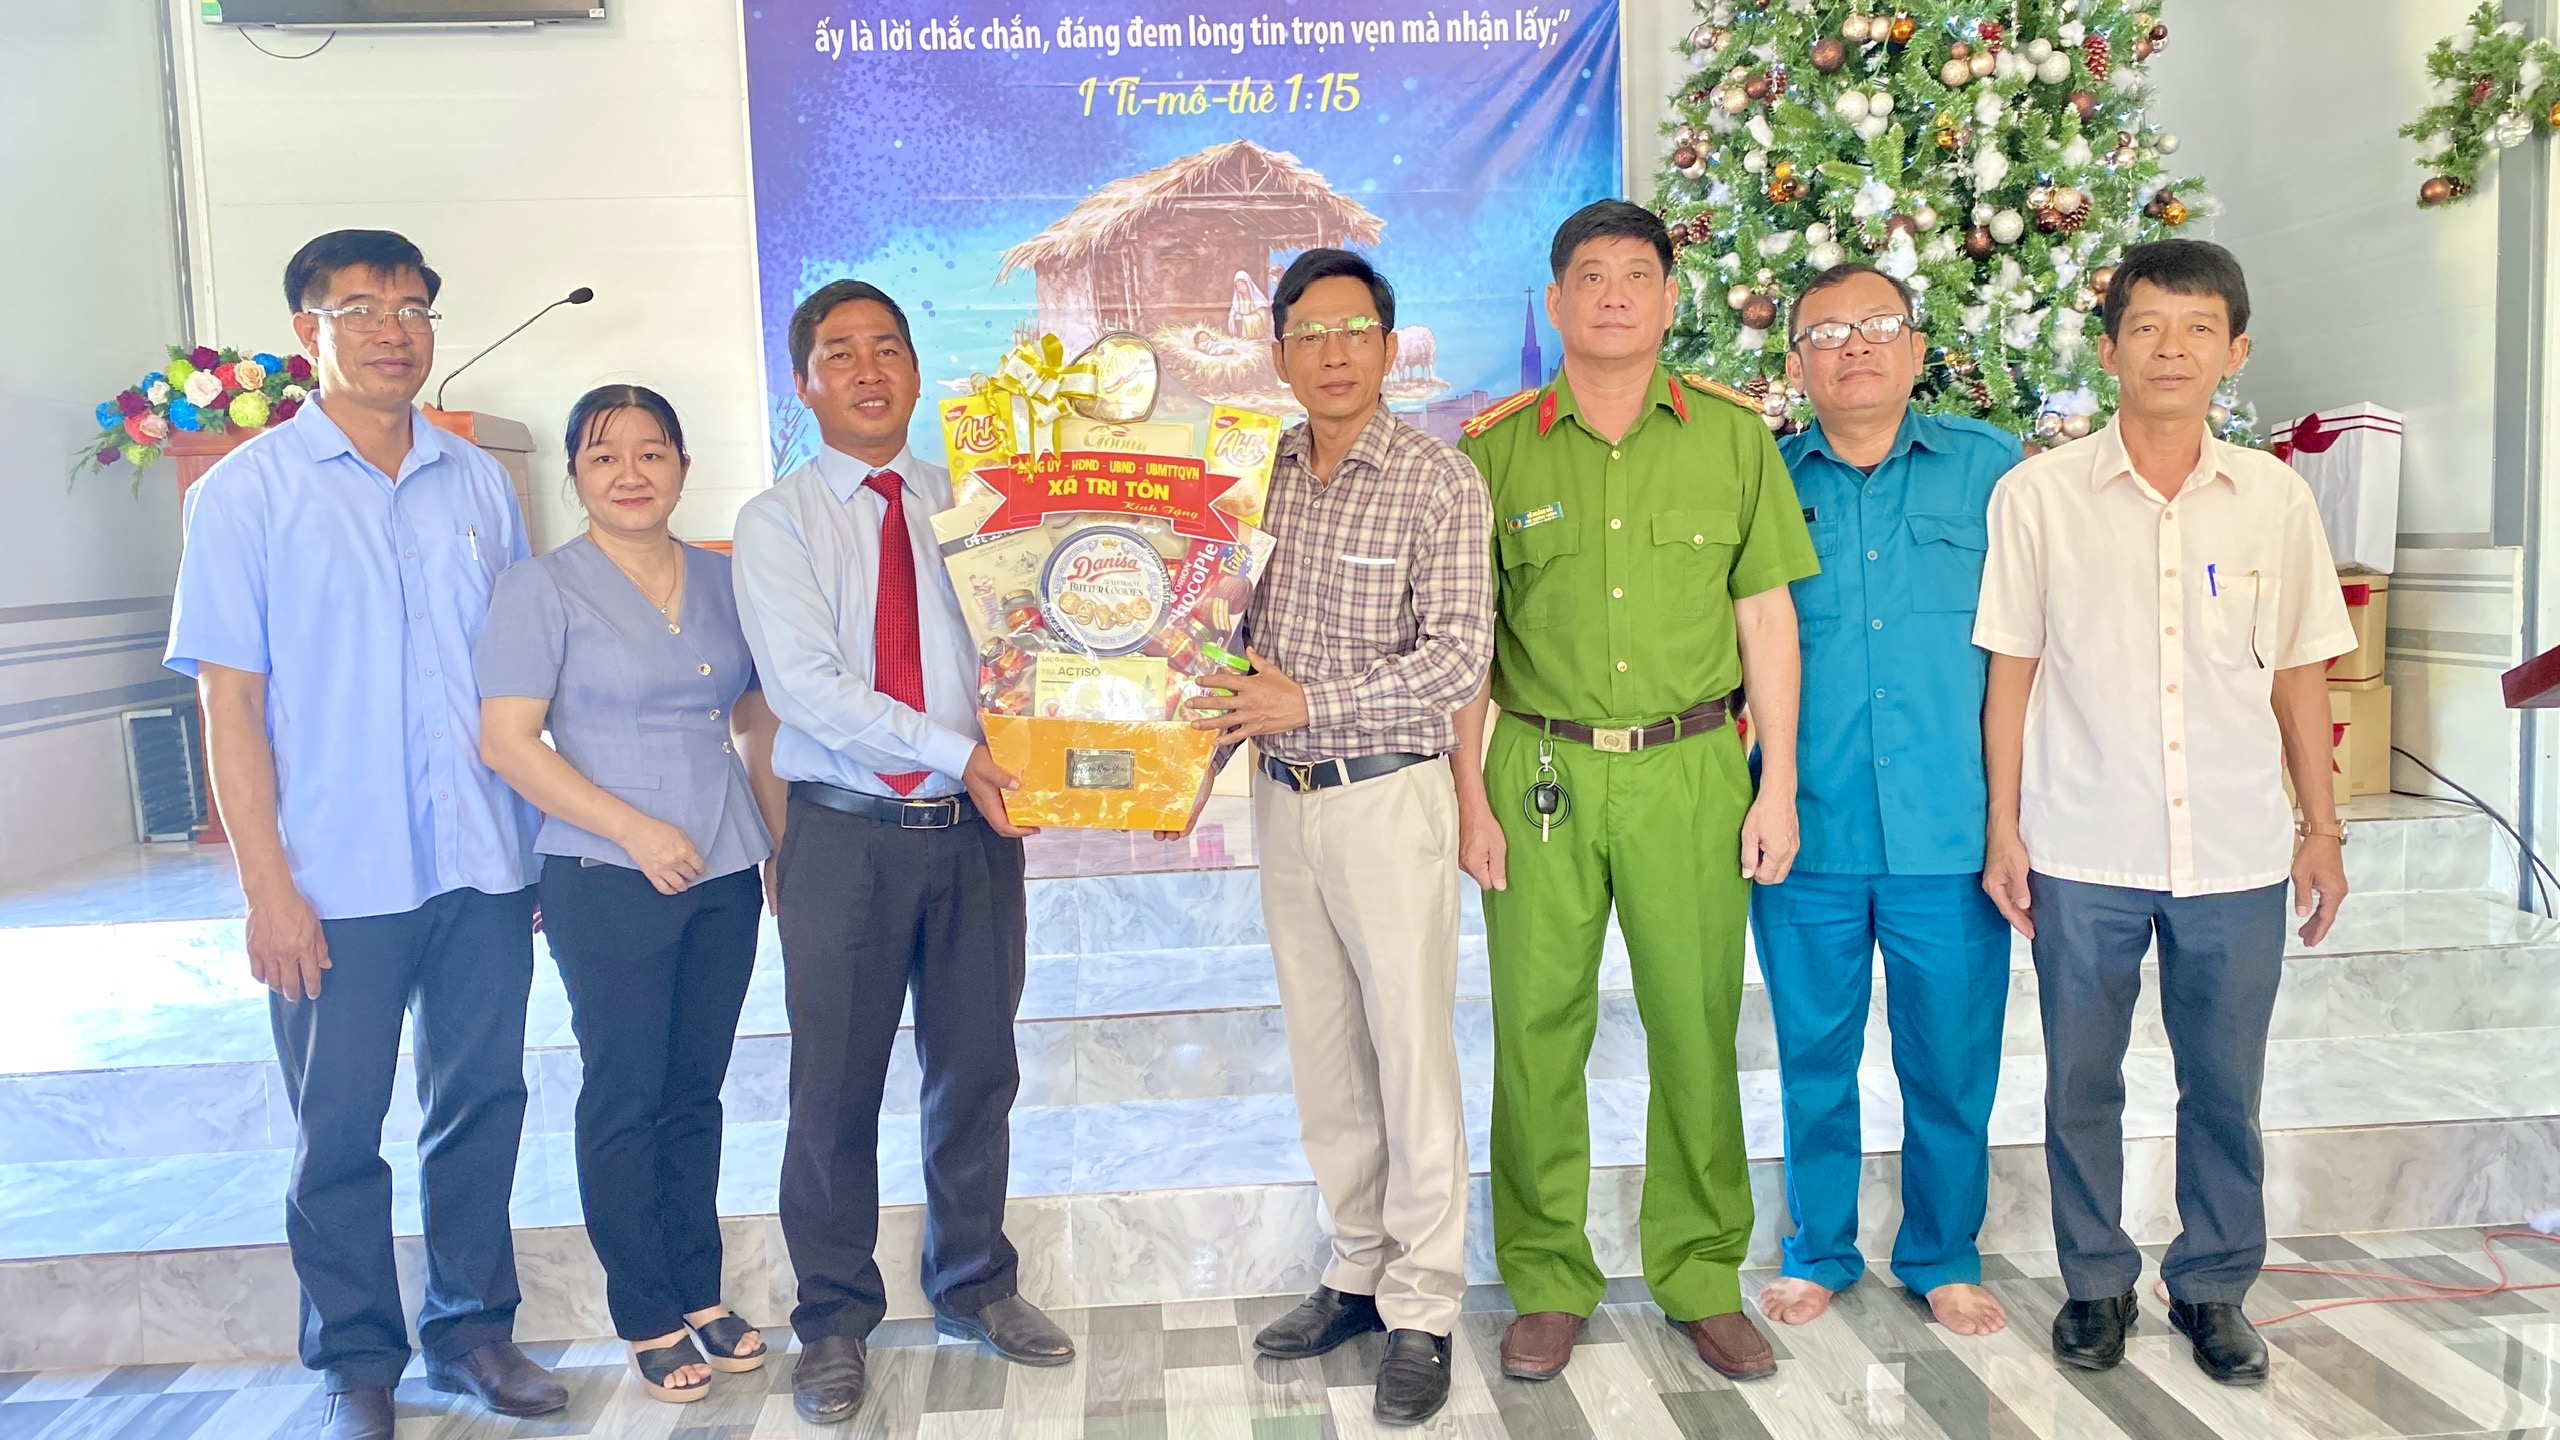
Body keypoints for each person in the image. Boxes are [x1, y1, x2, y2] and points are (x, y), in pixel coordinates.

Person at [164, 229, 566, 1440]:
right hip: (334, 878)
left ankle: (472, 1329)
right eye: (361, 308)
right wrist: (267, 889)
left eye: (412, 307)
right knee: (337, 1128)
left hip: (482, 862)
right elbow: (229, 704)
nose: (394, 329)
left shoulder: (479, 482)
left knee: (480, 1101)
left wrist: (536, 842)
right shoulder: (247, 493)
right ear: (309, 332)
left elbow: (515, 679)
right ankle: (355, 1359)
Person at [1973, 239, 2354, 1386]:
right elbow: (2011, 673)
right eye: (2146, 327)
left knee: (2224, 1086)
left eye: (2197, 329)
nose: (2170, 349)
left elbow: (2299, 676)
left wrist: (2322, 828)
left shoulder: (2274, 500)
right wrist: (2004, 827)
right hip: (2082, 842)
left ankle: (2213, 1286)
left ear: (2234, 352)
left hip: (2234, 849)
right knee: (2081, 1083)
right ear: (2109, 351)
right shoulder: (2038, 496)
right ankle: (2094, 1283)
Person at [1452, 200, 1817, 1384]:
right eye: (1591, 276)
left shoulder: (1732, 439)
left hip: (1692, 769)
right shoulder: (1494, 452)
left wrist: (1776, 785)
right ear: (1555, 301)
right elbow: (1468, 645)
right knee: (1535, 1033)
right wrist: (1469, 798)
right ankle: (1546, 1279)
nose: (1613, 295)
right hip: (1538, 771)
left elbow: (1766, 619)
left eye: (1636, 275)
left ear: (1668, 298)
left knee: (1694, 1026)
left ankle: (1701, 1275)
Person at [732, 279, 1074, 1425]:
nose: (868, 369)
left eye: (887, 348)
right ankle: (833, 1320)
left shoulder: (979, 508)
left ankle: (975, 1282)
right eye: (841, 352)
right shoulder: (777, 522)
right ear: (805, 383)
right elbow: (805, 689)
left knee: (976, 1068)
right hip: (844, 835)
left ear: (918, 372)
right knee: (832, 1086)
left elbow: (1030, 649)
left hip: (972, 836)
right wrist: (955, 750)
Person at [1182, 249, 1493, 1427]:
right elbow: (1211, 631)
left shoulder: (1437, 479)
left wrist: (1308, 702)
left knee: (1410, 1055)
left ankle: (1424, 1306)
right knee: (1326, 1054)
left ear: (1389, 345)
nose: (1333, 352)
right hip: (1283, 799)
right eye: (1309, 333)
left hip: (1387, 798)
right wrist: (1168, 754)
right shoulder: (1252, 478)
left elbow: (1456, 659)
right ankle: (1356, 1269)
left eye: (1355, 330)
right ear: (1278, 353)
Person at [475, 385, 789, 1403]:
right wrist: (633, 829)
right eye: (604, 456)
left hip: (724, 865)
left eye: (652, 453)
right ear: (574, 474)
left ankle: (699, 1288)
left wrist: (776, 844)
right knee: (625, 1093)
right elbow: (508, 742)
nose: (630, 474)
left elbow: (753, 721)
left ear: (683, 466)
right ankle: (646, 1310)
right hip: (607, 873)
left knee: (696, 1090)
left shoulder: (726, 577)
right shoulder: (539, 587)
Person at [1751, 264, 2022, 1338]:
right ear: (1796, 364)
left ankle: (1943, 1253)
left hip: (1950, 832)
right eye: (1827, 333)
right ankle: (1818, 1249)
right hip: (1807, 830)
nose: (1854, 348)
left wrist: (2011, 817)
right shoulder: (1764, 480)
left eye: (1877, 327)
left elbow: (2031, 652)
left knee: (1950, 1061)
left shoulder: (1993, 472)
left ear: (1916, 347)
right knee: (1813, 1061)